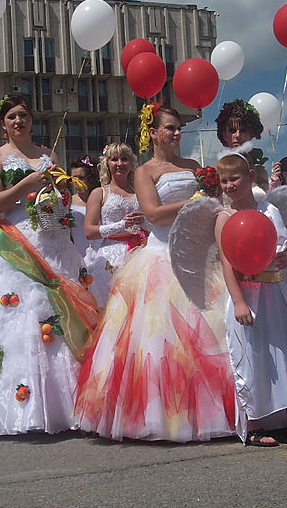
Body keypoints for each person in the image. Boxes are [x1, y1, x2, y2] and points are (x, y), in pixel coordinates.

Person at [75, 104, 235, 442]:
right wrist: (196, 199)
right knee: (159, 341)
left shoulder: (194, 166)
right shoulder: (144, 171)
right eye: (170, 128)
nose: (177, 134)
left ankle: (212, 411)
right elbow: (153, 213)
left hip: (197, 255)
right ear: (153, 132)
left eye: (179, 128)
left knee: (209, 335)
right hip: (161, 256)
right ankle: (160, 416)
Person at [0, 95, 99, 436]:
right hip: (17, 242)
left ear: (32, 120)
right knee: (18, 319)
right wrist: (25, 186)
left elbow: (61, 195)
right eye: (11, 117)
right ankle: (20, 406)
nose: (18, 121)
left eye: (23, 115)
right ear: (3, 124)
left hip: (53, 239)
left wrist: (59, 193)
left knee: (57, 313)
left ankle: (66, 404)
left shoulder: (47, 154)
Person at [214, 151, 287, 446]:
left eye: (234, 178)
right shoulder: (225, 218)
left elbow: (279, 244)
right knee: (252, 357)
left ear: (251, 178)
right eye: (224, 181)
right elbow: (227, 265)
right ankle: (254, 423)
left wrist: (285, 255)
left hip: (275, 292)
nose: (229, 185)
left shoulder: (269, 209)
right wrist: (238, 301)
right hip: (247, 294)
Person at [83, 142, 146, 308]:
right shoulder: (99, 193)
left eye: (124, 159)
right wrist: (121, 224)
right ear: (106, 163)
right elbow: (89, 231)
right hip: (110, 257)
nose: (120, 164)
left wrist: (143, 222)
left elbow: (152, 222)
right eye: (114, 159)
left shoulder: (141, 192)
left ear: (131, 163)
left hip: (140, 253)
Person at [69, 156, 99, 259]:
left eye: (81, 178)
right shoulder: (69, 201)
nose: (77, 182)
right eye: (74, 178)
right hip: (77, 253)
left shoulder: (101, 199)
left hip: (99, 252)